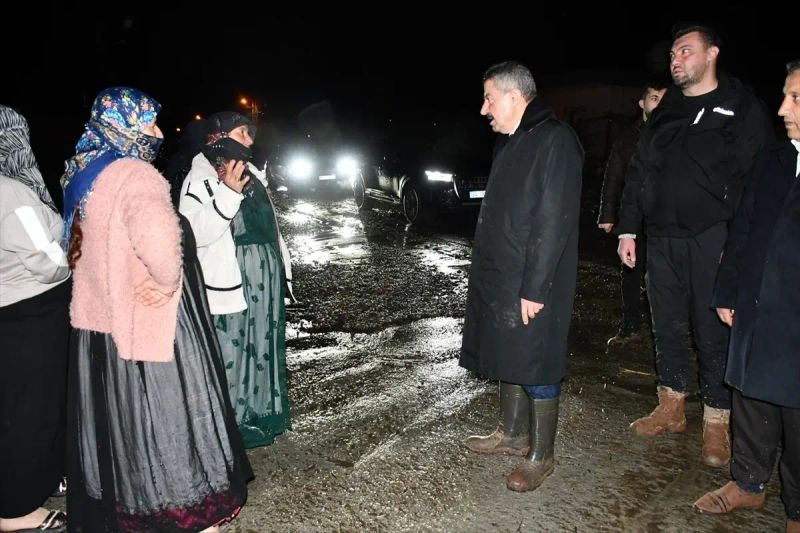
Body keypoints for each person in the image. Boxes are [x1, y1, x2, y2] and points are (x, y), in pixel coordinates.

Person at [62, 87, 252, 532]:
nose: (158, 132)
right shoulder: (134, 175)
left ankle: (131, 504)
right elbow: (164, 250)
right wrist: (167, 283)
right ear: (123, 126)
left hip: (100, 322)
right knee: (167, 414)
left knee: (124, 420)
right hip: (147, 319)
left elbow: (74, 250)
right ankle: (185, 510)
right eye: (147, 123)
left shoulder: (82, 172)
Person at [615, 23, 773, 467]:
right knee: (664, 323)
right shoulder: (667, 109)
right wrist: (629, 229)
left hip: (714, 238)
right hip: (661, 238)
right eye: (672, 54)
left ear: (712, 54)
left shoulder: (741, 107)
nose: (676, 60)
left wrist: (738, 249)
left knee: (711, 330)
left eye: (685, 51)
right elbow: (640, 169)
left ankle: (718, 422)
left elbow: (754, 184)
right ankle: (671, 405)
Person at [459, 61, 584, 492]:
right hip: (502, 272)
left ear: (514, 96)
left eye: (489, 98)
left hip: (533, 278)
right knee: (507, 349)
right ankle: (511, 434)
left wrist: (535, 287)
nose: (483, 108)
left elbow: (554, 220)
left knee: (537, 360)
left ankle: (541, 455)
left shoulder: (555, 140)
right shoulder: (512, 140)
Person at [693, 59, 800, 533]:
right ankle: (749, 484)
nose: (782, 109)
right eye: (785, 95)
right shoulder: (774, 162)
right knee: (752, 395)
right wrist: (727, 289)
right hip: (758, 305)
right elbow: (743, 229)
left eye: (796, 98)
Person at [179, 112, 292, 448]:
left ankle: (259, 416)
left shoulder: (252, 173)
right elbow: (194, 235)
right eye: (243, 132)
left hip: (263, 275)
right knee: (233, 349)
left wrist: (281, 268)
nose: (250, 140)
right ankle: (229, 424)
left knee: (261, 345)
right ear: (222, 136)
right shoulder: (199, 179)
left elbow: (268, 227)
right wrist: (227, 192)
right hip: (232, 277)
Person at [0, 106, 70, 532]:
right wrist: (76, 247)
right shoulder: (10, 192)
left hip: (9, 310)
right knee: (32, 410)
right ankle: (16, 510)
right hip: (31, 310)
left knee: (14, 406)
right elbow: (49, 260)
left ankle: (39, 476)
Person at [597, 82, 667, 346]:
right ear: (642, 103)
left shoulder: (676, 132)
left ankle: (665, 331)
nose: (658, 103)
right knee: (631, 273)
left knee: (662, 276)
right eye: (653, 98)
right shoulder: (628, 137)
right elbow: (614, 176)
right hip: (633, 218)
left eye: (663, 99)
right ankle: (630, 326)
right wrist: (607, 213)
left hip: (664, 219)